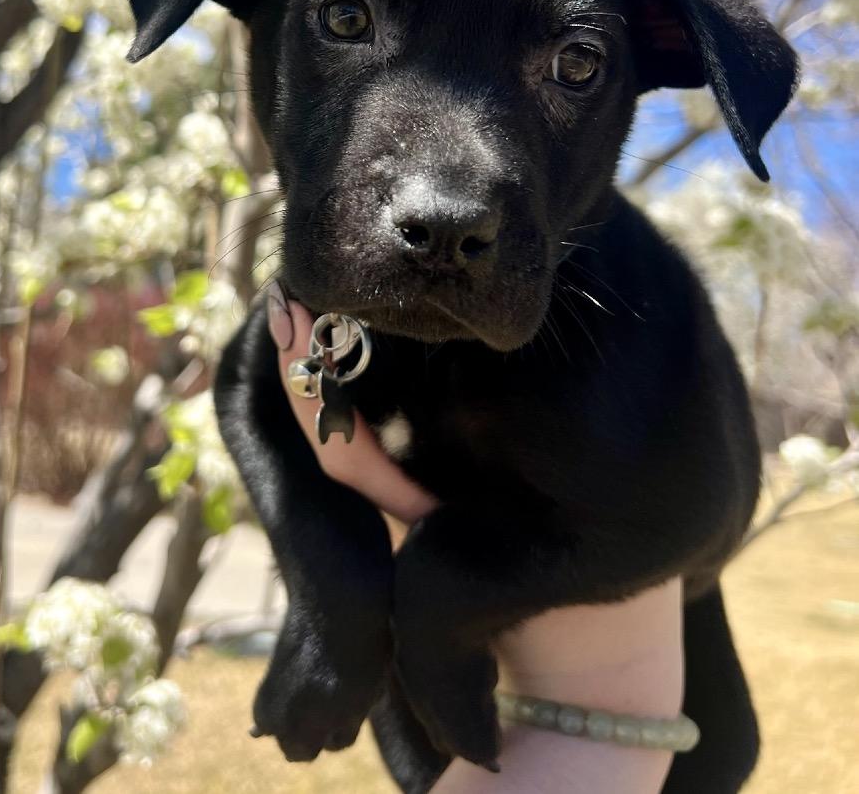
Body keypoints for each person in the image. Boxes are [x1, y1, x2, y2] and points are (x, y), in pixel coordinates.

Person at [268, 290, 685, 794]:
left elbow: (519, 545)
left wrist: (359, 472)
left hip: (578, 753)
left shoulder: (599, 421)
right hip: (594, 748)